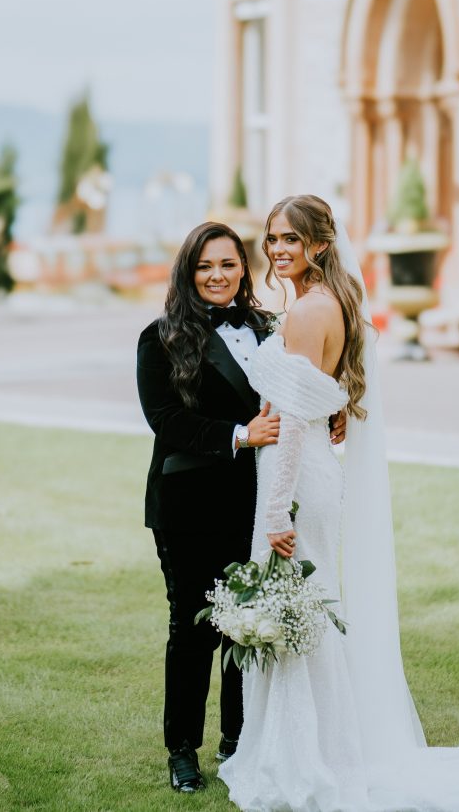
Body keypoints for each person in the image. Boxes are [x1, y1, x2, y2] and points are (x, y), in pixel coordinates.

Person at [219, 194, 459, 812]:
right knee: (308, 605)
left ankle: (308, 760)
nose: (277, 250)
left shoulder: (303, 314)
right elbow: (323, 393)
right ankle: (311, 746)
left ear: (318, 245)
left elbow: (292, 422)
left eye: (290, 239)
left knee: (300, 608)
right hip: (313, 472)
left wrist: (272, 511)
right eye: (271, 239)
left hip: (295, 477)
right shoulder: (331, 302)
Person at [136, 220, 346, 795]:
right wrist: (238, 434)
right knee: (191, 630)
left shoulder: (269, 327)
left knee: (247, 627)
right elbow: (166, 421)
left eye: (227, 265)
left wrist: (333, 408)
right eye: (205, 266)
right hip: (187, 502)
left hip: (255, 504)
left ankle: (239, 742)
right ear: (188, 272)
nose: (216, 276)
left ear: (242, 269)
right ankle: (182, 749)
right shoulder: (159, 338)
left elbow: (301, 389)